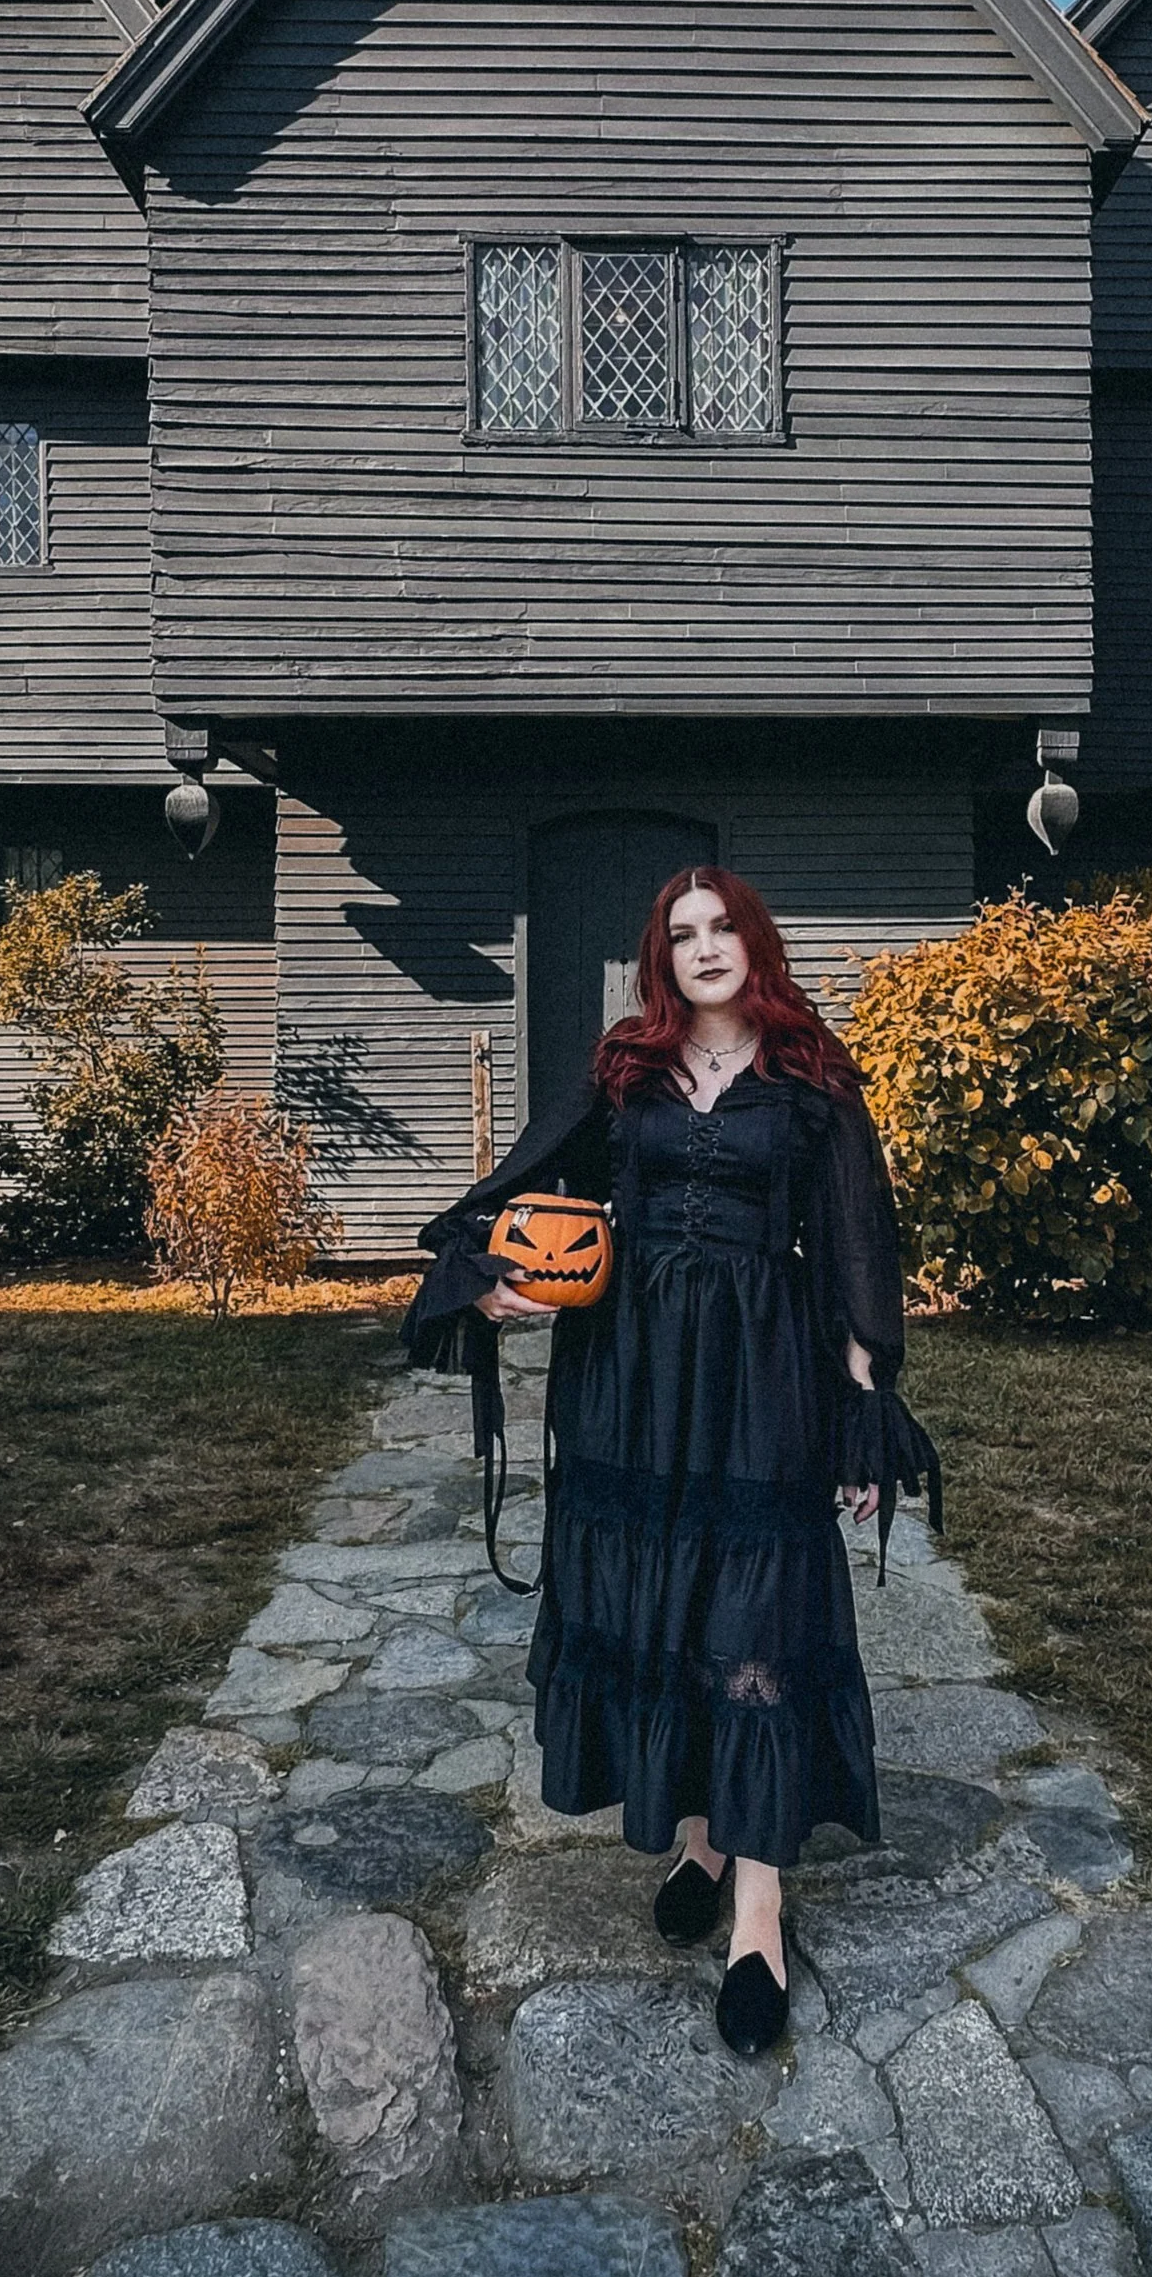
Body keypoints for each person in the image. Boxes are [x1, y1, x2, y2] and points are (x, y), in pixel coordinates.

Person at [402, 866, 939, 2058]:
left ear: (756, 941)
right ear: (663, 955)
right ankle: (700, 1835)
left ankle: (757, 1911)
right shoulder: (625, 1066)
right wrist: (495, 1277)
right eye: (681, 933)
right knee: (658, 1600)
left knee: (753, 1620)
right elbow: (538, 1183)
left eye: (722, 927)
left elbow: (857, 1240)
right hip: (628, 1373)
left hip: (760, 1375)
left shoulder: (810, 1073)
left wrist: (862, 1406)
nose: (704, 948)